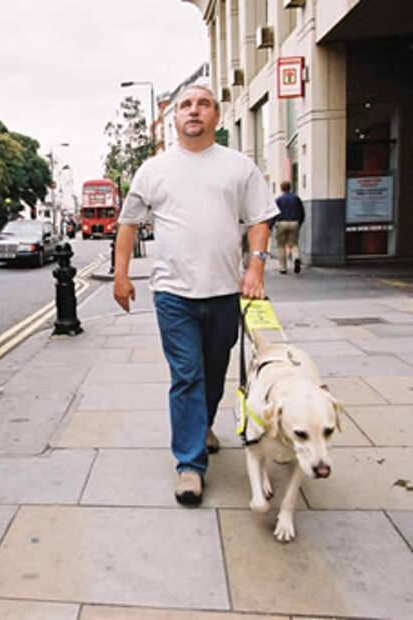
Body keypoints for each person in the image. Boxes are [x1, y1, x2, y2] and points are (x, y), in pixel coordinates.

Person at [113, 82, 279, 505]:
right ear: (175, 118)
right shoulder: (154, 169)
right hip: (173, 293)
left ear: (216, 116)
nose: (193, 110)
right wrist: (122, 275)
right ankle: (189, 464)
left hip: (225, 292)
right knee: (186, 375)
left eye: (203, 104)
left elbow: (261, 218)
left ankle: (202, 424)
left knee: (213, 368)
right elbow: (128, 223)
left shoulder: (239, 167)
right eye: (186, 104)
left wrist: (255, 266)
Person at [274, 180, 305, 274]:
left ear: (281, 189)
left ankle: (283, 268)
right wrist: (299, 222)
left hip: (282, 223)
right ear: (290, 188)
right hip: (294, 223)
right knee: (293, 244)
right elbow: (302, 212)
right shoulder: (296, 198)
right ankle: (296, 258)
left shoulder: (278, 200)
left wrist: (270, 225)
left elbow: (274, 213)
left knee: (281, 245)